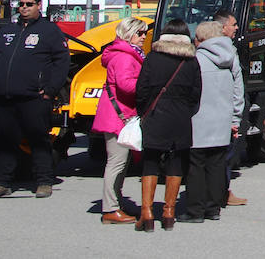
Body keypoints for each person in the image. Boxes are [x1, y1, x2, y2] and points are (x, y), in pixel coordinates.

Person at [0, 0, 70, 199]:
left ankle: (44, 181)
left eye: (29, 4)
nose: (24, 8)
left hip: (34, 98)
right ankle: (2, 183)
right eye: (21, 4)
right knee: (4, 141)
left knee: (38, 140)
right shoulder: (6, 31)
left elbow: (61, 62)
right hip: (3, 97)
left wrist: (50, 90)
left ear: (39, 5)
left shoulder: (50, 31)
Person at [134, 19, 202, 231]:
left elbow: (141, 90)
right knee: (176, 161)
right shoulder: (191, 61)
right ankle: (169, 212)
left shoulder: (153, 58)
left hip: (155, 116)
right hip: (180, 118)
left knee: (150, 161)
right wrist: (186, 112)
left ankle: (146, 213)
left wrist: (144, 111)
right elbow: (196, 94)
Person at [183, 20, 243, 221]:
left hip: (198, 120)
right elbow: (238, 91)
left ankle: (195, 210)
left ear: (200, 39)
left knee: (196, 166)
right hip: (223, 119)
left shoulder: (196, 59)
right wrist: (236, 117)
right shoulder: (232, 56)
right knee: (217, 164)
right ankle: (213, 208)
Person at [91, 17, 147, 224]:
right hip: (119, 116)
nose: (143, 37)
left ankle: (114, 203)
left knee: (120, 162)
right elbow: (126, 85)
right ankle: (110, 208)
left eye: (144, 33)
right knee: (117, 162)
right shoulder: (125, 56)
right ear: (128, 34)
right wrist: (147, 85)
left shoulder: (126, 54)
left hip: (118, 115)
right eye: (139, 33)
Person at [212, 9, 249, 208]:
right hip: (225, 113)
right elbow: (237, 87)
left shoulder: (202, 50)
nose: (236, 28)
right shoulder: (229, 53)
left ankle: (215, 192)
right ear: (222, 27)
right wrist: (236, 117)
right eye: (233, 24)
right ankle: (221, 192)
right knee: (224, 154)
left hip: (209, 113)